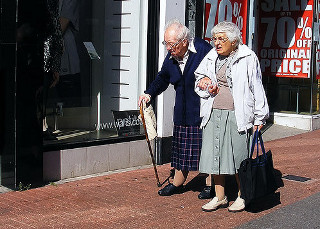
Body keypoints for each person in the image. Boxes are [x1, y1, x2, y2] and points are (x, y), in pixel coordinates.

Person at [194, 21, 269, 212]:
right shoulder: (212, 55)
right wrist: (203, 82)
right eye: (215, 39)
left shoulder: (247, 57)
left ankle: (243, 195)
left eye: (221, 39)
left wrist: (260, 118)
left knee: (239, 158)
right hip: (213, 113)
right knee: (215, 158)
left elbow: (256, 87)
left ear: (234, 41)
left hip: (237, 115)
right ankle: (220, 197)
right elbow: (199, 76)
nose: (217, 43)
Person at [138, 19, 212, 197]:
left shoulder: (203, 50)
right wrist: (148, 94)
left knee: (207, 150)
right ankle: (177, 183)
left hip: (202, 111)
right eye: (166, 44)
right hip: (182, 111)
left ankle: (211, 185)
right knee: (180, 151)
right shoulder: (172, 56)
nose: (168, 48)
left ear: (184, 42)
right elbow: (163, 78)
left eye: (171, 44)